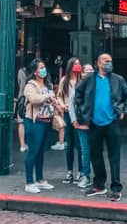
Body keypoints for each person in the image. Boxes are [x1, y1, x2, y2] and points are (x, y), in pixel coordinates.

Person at [74, 52, 127, 202]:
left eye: (110, 61)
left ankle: (116, 187)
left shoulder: (117, 80)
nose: (109, 63)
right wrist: (82, 113)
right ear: (98, 63)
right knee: (96, 155)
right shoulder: (89, 79)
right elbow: (78, 94)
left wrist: (123, 111)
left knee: (114, 156)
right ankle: (99, 184)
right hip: (94, 123)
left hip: (111, 123)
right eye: (106, 61)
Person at [22, 59, 59, 193]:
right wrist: (47, 96)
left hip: (46, 121)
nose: (43, 70)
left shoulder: (47, 85)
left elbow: (53, 98)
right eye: (41, 68)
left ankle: (40, 179)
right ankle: (29, 182)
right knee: (33, 151)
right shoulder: (30, 85)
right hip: (34, 122)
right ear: (35, 72)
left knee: (41, 151)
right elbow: (34, 99)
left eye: (44, 67)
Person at [57, 57, 84, 183]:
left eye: (79, 64)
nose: (78, 66)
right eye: (75, 64)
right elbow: (59, 96)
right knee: (70, 143)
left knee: (80, 144)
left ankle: (80, 171)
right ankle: (69, 171)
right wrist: (63, 106)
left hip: (79, 114)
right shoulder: (65, 81)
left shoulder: (82, 79)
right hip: (68, 113)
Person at [16, 60, 30, 152]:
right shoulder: (34, 72)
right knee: (31, 121)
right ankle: (30, 143)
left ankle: (22, 145)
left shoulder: (21, 71)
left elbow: (19, 83)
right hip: (30, 98)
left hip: (21, 97)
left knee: (21, 122)